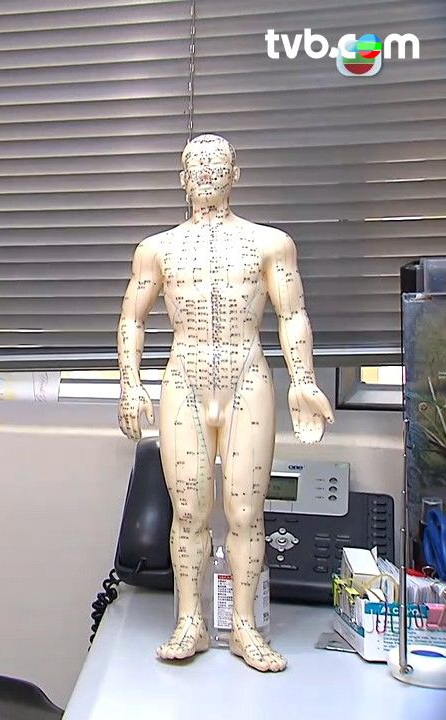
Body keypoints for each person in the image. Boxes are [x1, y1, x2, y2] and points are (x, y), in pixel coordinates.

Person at [116, 133, 334, 672]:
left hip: (246, 377)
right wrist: (129, 382)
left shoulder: (270, 244)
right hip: (185, 380)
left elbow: (292, 314)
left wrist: (303, 379)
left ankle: (243, 625)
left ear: (236, 174)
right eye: (198, 165)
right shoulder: (156, 249)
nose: (208, 174)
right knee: (188, 511)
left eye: (218, 165)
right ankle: (190, 620)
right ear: (182, 178)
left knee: (244, 512)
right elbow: (133, 319)